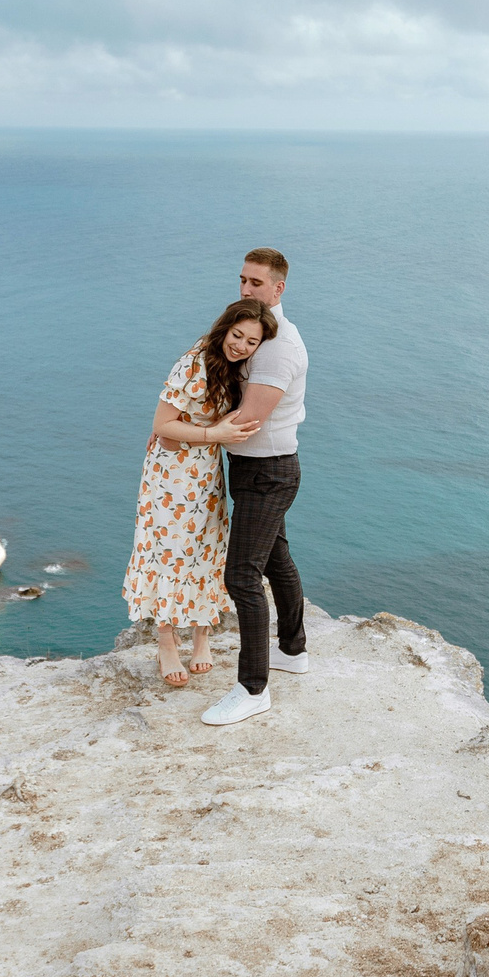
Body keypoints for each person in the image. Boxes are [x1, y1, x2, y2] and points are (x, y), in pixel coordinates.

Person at [123, 299, 274, 685]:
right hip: (170, 476)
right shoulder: (192, 363)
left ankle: (202, 635)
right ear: (224, 328)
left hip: (205, 473)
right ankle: (167, 639)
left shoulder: (240, 366)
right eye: (236, 335)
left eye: (251, 341)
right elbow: (162, 422)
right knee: (170, 551)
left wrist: (212, 437)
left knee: (207, 546)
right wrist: (213, 434)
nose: (240, 345)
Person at [202, 247, 309, 727]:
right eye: (242, 280)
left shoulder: (280, 345)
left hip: (268, 471)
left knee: (241, 577)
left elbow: (247, 420)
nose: (246, 290)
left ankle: (252, 689)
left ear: (279, 288)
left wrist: (179, 428)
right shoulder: (257, 332)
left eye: (257, 283)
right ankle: (293, 649)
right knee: (276, 559)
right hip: (256, 469)